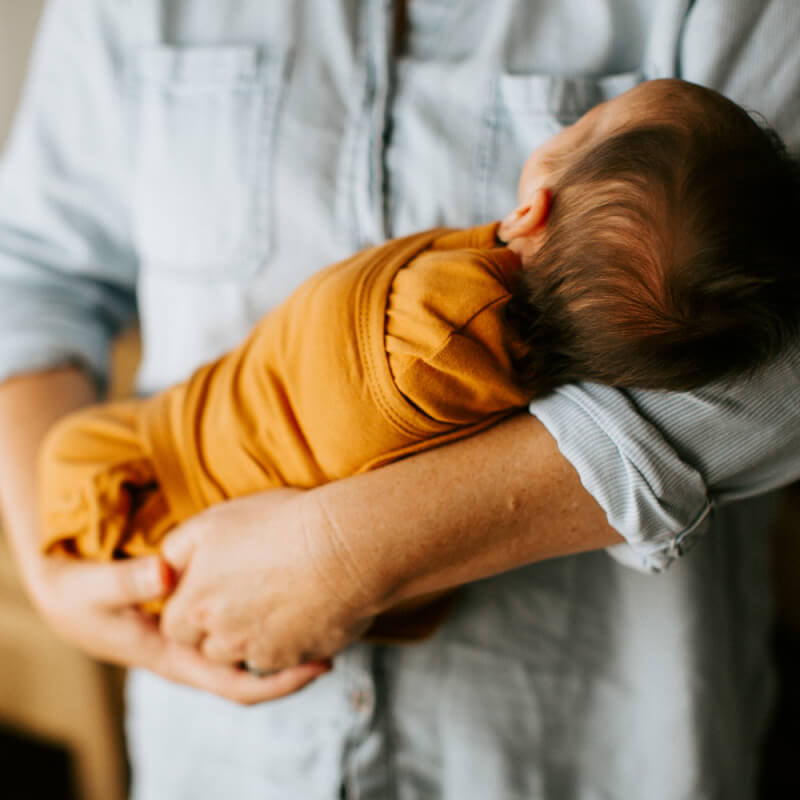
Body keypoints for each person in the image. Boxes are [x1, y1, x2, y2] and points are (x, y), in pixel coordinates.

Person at [1, 2, 800, 798]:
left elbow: (782, 358)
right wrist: (54, 569)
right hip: (226, 753)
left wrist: (350, 551)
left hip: (576, 755)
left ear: (531, 210)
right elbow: (31, 271)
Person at [38, 79, 800, 645]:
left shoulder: (443, 320)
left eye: (585, 118)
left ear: (533, 209)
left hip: (168, 467)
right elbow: (34, 268)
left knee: (74, 457)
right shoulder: (523, 391)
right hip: (247, 573)